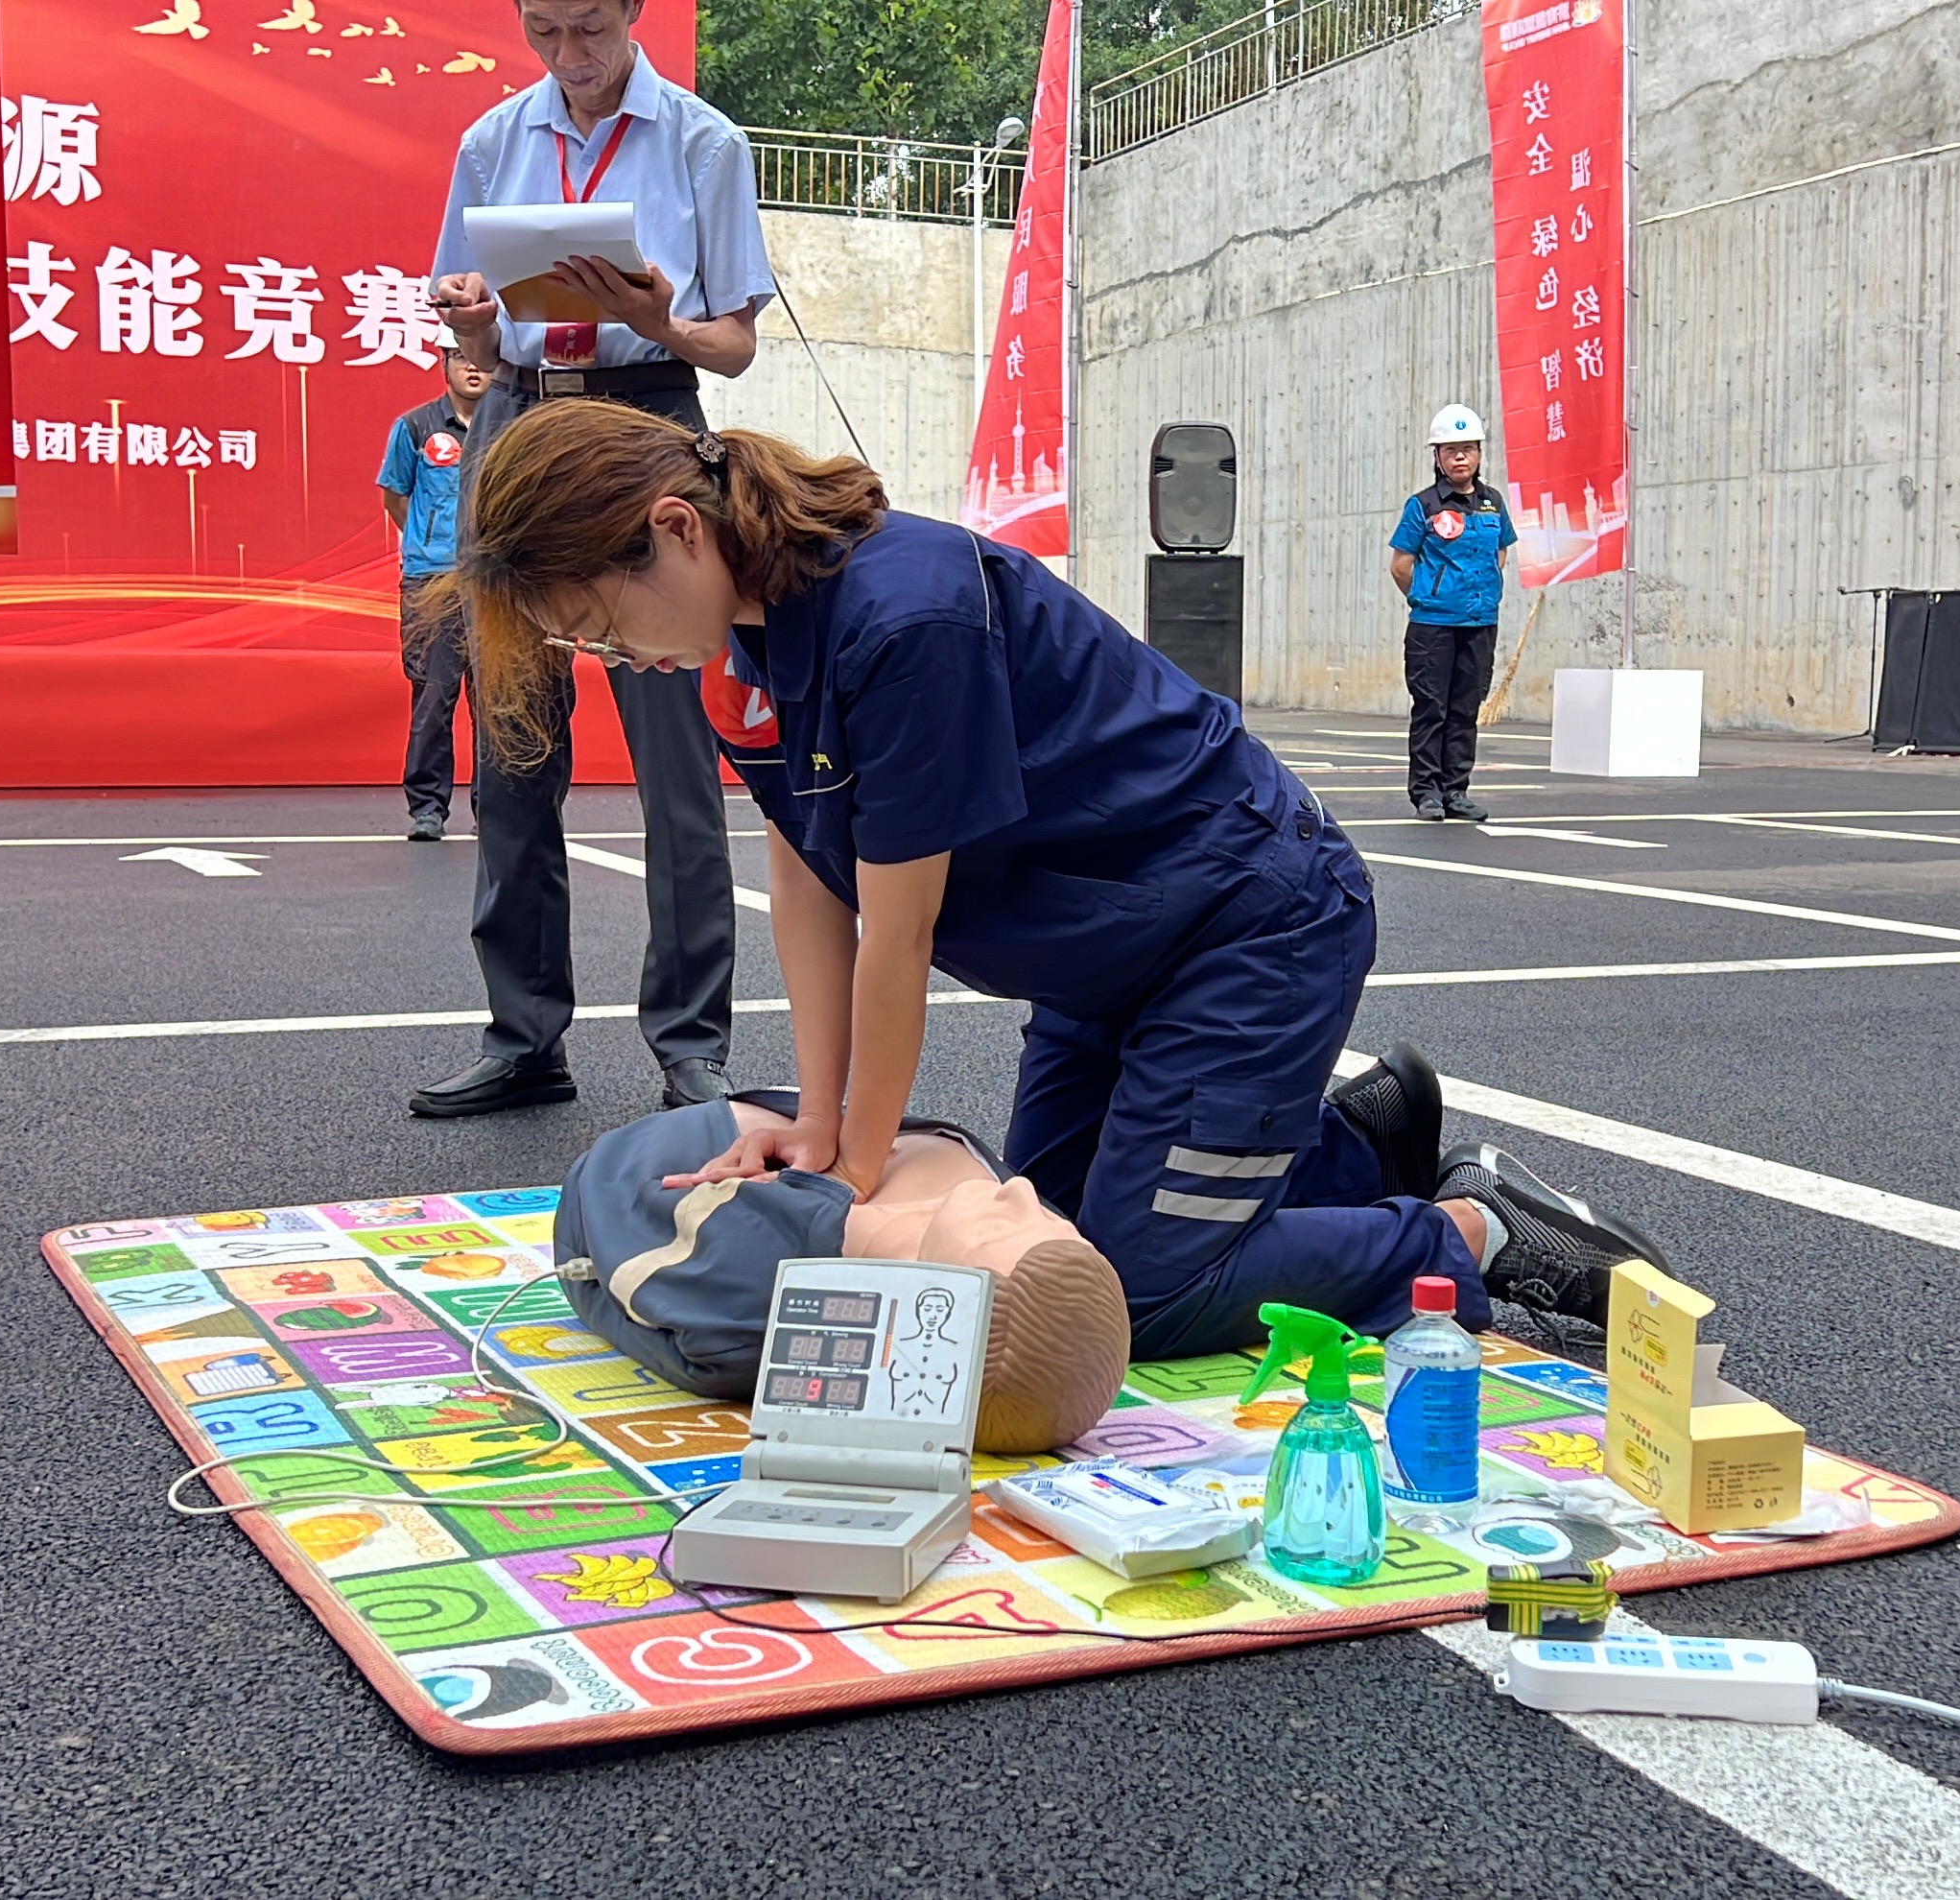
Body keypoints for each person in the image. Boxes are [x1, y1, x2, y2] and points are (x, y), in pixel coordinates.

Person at [448, 401, 1665, 1359]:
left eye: (598, 626)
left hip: (1246, 925)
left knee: (1135, 1291)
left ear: (675, 527)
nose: (611, 658)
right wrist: (817, 1126)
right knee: (1053, 1245)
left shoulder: (900, 618)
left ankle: (1472, 1232)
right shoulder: (737, 658)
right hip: (1107, 960)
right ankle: (1352, 1149)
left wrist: (854, 1168)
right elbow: (812, 892)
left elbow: (897, 934)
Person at [405, 0, 778, 1119]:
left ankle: (691, 1043)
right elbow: (473, 328)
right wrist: (471, 321)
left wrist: (659, 320)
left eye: (589, 30)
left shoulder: (704, 142)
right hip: (518, 423)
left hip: (644, 421)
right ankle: (523, 1035)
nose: (569, 58)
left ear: (632, 11)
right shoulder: (492, 140)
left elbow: (733, 346)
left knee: (674, 752)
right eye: (544, 31)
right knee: (512, 745)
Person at [552, 1092, 1131, 1453]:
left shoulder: (746, 1292)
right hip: (812, 1124)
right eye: (1055, 1223)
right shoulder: (997, 1222)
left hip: (702, 1147)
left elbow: (588, 1237)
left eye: (1002, 1227)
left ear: (941, 1301)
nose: (1021, 1191)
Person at [1387, 404, 1520, 824]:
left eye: (1468, 449)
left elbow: (1500, 554)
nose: (1460, 457)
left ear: (1479, 453)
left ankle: (1456, 790)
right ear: (1438, 457)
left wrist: (1480, 596)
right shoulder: (1423, 505)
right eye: (1450, 450)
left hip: (1479, 624)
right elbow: (1401, 565)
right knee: (1432, 709)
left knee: (1465, 709)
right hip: (1433, 627)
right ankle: (1427, 792)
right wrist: (1430, 597)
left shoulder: (1492, 503)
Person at [382, 353, 492, 843]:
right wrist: (429, 543)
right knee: (433, 695)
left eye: (482, 358)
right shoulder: (415, 426)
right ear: (444, 364)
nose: (473, 368)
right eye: (460, 357)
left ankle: (493, 808)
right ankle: (427, 806)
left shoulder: (509, 427)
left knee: (495, 700)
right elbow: (395, 496)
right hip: (432, 582)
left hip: (493, 581)